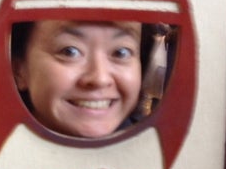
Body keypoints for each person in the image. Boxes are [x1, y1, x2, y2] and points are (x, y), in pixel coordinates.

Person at [10, 19, 155, 138]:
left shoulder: (156, 152)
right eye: (69, 52)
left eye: (121, 52)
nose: (100, 79)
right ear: (19, 70)